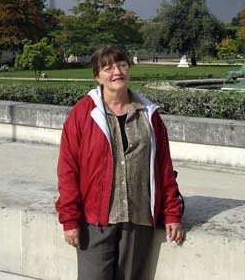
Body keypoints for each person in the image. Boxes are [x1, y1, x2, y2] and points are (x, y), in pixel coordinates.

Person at [56, 45, 184, 280]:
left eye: (121, 64)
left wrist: (172, 213)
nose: (117, 71)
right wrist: (70, 218)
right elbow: (68, 169)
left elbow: (163, 168)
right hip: (96, 220)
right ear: (97, 76)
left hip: (138, 218)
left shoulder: (149, 115)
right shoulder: (83, 114)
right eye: (108, 67)